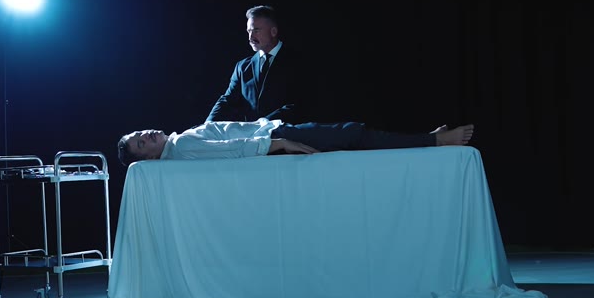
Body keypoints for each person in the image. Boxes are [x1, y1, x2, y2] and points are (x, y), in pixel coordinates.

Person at [116, 118, 474, 166]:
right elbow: (231, 150)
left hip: (273, 130)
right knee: (354, 134)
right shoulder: (181, 147)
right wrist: (278, 143)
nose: (146, 136)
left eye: (140, 133)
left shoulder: (180, 141)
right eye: (141, 143)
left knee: (354, 134)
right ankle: (434, 140)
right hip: (276, 136)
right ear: (147, 159)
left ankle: (428, 137)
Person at [205, 5, 318, 124]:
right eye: (249, 31)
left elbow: (301, 103)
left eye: (256, 30)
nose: (251, 37)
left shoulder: (299, 62)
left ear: (273, 32)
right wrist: (208, 124)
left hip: (286, 132)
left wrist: (264, 123)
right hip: (252, 134)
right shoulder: (242, 67)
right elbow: (227, 100)